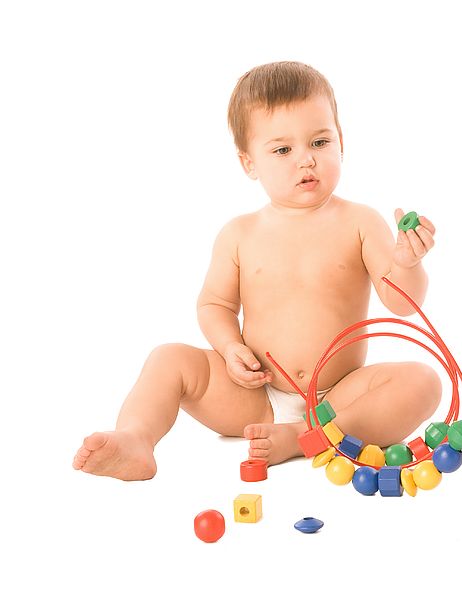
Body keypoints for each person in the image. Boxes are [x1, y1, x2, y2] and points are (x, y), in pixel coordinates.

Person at [73, 61, 441, 481]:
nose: (306, 160)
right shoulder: (239, 234)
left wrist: (407, 264)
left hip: (340, 397)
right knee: (168, 359)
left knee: (422, 381)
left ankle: (305, 436)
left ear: (342, 143)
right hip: (255, 396)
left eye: (320, 141)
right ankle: (135, 438)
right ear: (249, 163)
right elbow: (214, 304)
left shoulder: (360, 222)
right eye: (283, 150)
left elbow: (402, 303)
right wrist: (230, 349)